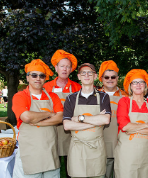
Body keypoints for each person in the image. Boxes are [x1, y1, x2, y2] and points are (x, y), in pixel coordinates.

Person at [12, 59, 63, 177]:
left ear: (45, 79)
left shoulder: (53, 96)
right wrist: (50, 114)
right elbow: (27, 117)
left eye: (41, 75)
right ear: (27, 77)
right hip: (29, 152)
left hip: (50, 151)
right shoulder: (20, 96)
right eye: (34, 75)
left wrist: (37, 121)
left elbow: (60, 118)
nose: (38, 78)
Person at [63, 63, 111, 178]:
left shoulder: (104, 97)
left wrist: (80, 119)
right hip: (77, 149)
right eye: (83, 73)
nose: (86, 75)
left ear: (95, 76)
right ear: (79, 76)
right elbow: (67, 125)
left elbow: (105, 120)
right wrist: (95, 122)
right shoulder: (71, 98)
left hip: (97, 148)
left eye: (90, 72)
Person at [114, 69, 148, 178]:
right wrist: (146, 125)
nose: (138, 85)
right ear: (130, 86)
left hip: (146, 153)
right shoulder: (124, 101)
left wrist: (134, 128)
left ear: (145, 85)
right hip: (126, 154)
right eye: (135, 82)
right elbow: (125, 126)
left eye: (141, 82)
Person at [43, 49, 81, 178]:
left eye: (68, 67)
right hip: (52, 130)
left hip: (71, 132)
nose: (65, 69)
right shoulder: (46, 87)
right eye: (62, 66)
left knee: (73, 166)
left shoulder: (77, 87)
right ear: (56, 68)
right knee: (53, 166)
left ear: (71, 70)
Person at [98, 60, 128, 178]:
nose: (110, 79)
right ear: (101, 79)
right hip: (102, 139)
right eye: (106, 77)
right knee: (103, 171)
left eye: (113, 77)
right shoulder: (95, 96)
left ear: (117, 78)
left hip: (122, 139)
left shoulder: (126, 96)